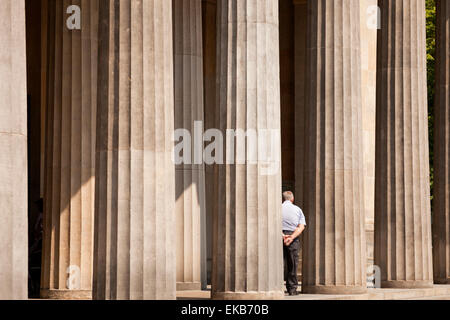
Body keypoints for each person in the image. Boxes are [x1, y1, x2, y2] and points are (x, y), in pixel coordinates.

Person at [282, 191, 306, 296]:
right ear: (292, 199)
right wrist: (291, 237)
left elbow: (273, 223)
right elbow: (301, 226)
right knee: (292, 265)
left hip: (279, 237)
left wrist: (282, 235)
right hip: (293, 237)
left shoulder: (277, 208)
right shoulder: (298, 209)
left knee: (278, 264)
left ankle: (276, 287)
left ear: (283, 199)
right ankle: (292, 289)